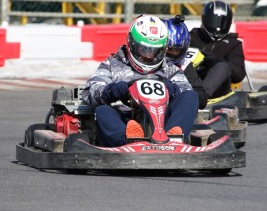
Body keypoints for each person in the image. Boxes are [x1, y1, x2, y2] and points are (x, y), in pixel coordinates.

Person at [82, 15, 199, 147]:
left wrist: (173, 89)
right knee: (103, 111)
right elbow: (89, 91)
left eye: (155, 51)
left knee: (191, 96)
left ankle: (174, 138)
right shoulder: (112, 64)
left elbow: (186, 89)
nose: (149, 56)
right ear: (132, 44)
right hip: (125, 119)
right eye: (144, 49)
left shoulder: (169, 68)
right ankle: (128, 141)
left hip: (163, 121)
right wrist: (111, 91)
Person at [189, 0, 246, 99]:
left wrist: (215, 61)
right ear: (205, 19)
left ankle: (200, 97)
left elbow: (238, 75)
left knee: (223, 66)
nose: (217, 26)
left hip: (215, 91)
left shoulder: (233, 44)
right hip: (187, 80)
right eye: (213, 21)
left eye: (222, 22)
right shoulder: (190, 37)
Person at [164, 15, 209, 109]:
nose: (172, 53)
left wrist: (178, 90)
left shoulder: (185, 65)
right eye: (169, 49)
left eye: (176, 50)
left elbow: (202, 98)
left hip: (172, 111)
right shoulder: (148, 62)